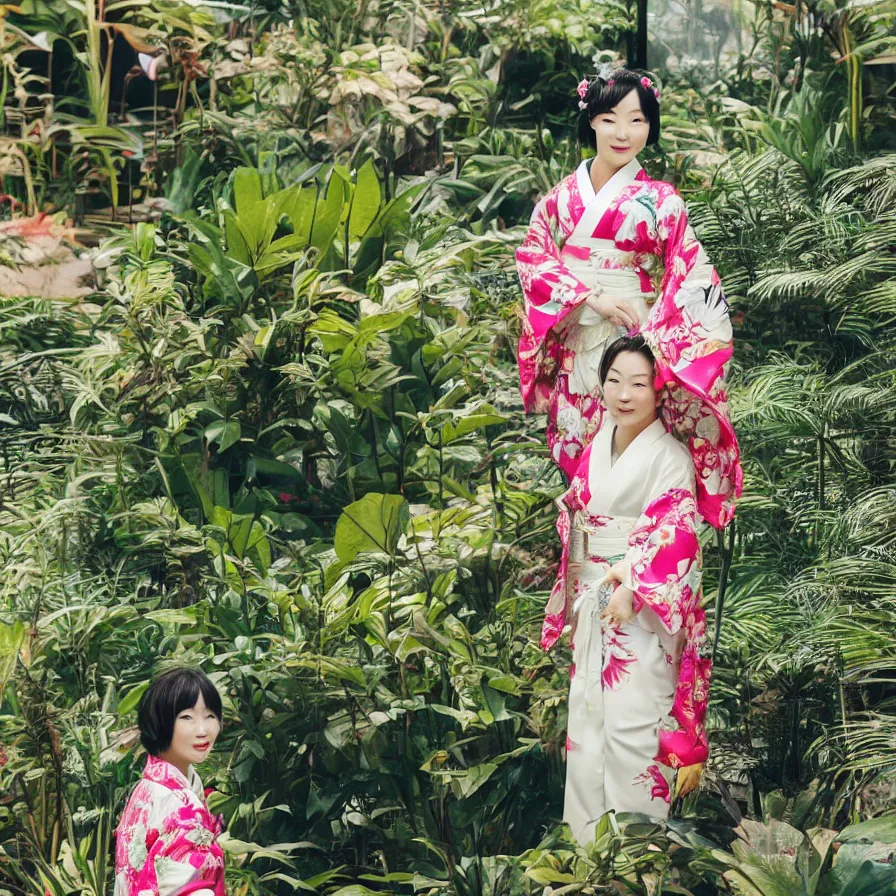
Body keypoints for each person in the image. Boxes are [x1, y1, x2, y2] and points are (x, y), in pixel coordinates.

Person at [516, 65, 740, 530]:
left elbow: (692, 274)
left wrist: (658, 330)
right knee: (583, 465)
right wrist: (587, 298)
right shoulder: (557, 202)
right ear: (592, 120)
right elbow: (533, 259)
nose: (623, 132)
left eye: (637, 120)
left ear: (649, 127)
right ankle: (585, 572)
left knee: (641, 462)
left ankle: (640, 576)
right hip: (580, 346)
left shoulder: (663, 202)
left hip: (638, 349)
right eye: (610, 118)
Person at [543, 335, 710, 844]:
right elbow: (578, 510)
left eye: (638, 382)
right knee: (588, 732)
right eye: (614, 380)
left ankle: (636, 861)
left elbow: (677, 531)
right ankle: (587, 856)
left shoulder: (671, 456)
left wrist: (633, 584)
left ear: (659, 389)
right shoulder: (599, 443)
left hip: (639, 612)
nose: (624, 393)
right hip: (594, 601)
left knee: (632, 731)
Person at [114, 667, 226, 896]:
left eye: (210, 716)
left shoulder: (146, 789)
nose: (203, 730)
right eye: (187, 717)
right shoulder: (179, 804)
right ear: (161, 722)